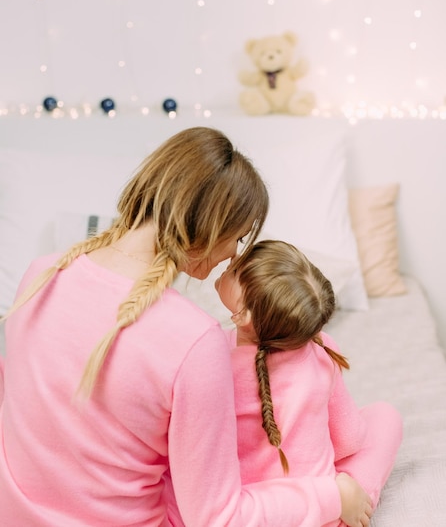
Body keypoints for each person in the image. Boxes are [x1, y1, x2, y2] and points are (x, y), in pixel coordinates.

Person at [0, 126, 372, 527]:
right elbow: (219, 520)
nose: (234, 254)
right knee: (370, 446)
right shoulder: (194, 341)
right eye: (239, 237)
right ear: (212, 226)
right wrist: (331, 496)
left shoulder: (39, 275)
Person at [215, 239, 403, 527]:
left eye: (238, 269)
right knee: (384, 416)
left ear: (242, 314)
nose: (232, 259)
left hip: (255, 512)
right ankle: (355, 506)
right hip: (325, 513)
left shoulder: (213, 359)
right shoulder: (322, 348)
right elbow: (349, 439)